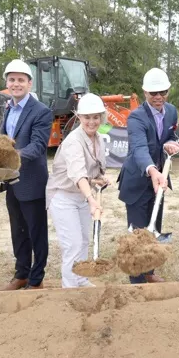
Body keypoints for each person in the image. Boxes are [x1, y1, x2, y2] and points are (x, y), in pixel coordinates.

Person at [117, 67, 179, 284]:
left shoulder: (171, 111)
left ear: (168, 91)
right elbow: (139, 148)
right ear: (144, 92)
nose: (158, 97)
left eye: (163, 92)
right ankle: (136, 281)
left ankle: (150, 272)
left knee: (154, 228)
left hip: (159, 180)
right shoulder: (136, 117)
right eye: (153, 93)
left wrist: (172, 143)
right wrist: (152, 170)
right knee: (138, 235)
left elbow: (171, 134)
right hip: (137, 180)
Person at [0, 59, 54, 290]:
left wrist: (12, 157)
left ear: (29, 84)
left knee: (36, 232)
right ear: (7, 83)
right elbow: (2, 140)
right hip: (11, 182)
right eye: (12, 80)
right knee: (18, 230)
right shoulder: (8, 108)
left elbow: (38, 146)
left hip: (31, 182)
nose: (16, 84)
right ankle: (21, 273)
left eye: (21, 80)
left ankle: (36, 278)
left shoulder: (41, 111)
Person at [46, 93, 110, 288]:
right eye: (87, 117)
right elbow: (78, 174)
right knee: (72, 245)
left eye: (96, 117)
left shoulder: (98, 138)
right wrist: (92, 200)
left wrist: (99, 179)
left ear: (101, 117)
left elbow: (90, 172)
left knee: (83, 241)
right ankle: (70, 287)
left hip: (82, 196)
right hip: (63, 197)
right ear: (79, 117)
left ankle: (80, 280)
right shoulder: (74, 140)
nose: (92, 122)